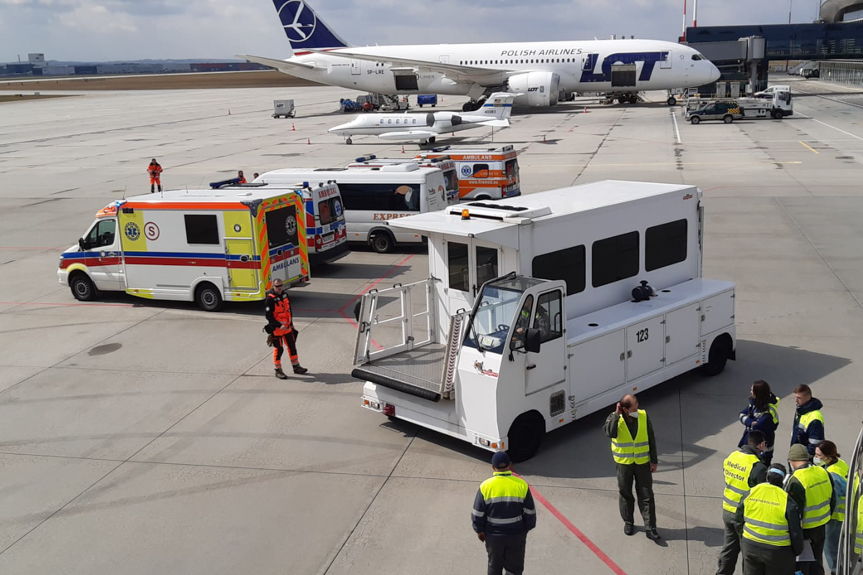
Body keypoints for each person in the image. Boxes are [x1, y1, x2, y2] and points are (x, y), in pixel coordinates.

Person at [603, 393, 660, 540]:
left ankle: (650, 527)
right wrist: (616, 414)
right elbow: (609, 432)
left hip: (642, 463)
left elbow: (651, 437)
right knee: (625, 493)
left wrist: (653, 460)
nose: (637, 408)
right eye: (634, 407)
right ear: (626, 409)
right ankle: (628, 522)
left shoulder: (643, 416)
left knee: (647, 495)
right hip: (624, 464)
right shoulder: (614, 418)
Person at [472, 451, 536, 575]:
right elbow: (530, 513)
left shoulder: (485, 486)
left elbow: (477, 513)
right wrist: (525, 530)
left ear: (493, 467)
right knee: (514, 568)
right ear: (509, 465)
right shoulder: (521, 485)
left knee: (494, 566)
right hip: (516, 535)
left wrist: (479, 531)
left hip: (493, 536)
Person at [734, 463, 804, 575]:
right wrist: (797, 550)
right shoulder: (787, 500)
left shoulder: (751, 492)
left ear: (767, 476)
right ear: (783, 480)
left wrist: (744, 538)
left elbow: (738, 520)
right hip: (778, 552)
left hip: (750, 545)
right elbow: (795, 532)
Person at [716, 430, 769, 575]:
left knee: (729, 548)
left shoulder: (732, 457)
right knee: (748, 553)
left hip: (727, 510)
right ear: (760, 445)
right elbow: (761, 492)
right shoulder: (757, 467)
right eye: (765, 444)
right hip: (743, 515)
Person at [786, 443, 835, 575]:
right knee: (817, 561)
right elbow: (833, 499)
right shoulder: (823, 471)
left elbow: (795, 512)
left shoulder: (796, 480)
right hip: (821, 526)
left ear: (791, 461)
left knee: (803, 565)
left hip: (805, 530)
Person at [815, 440, 848, 575]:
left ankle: (836, 571)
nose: (816, 458)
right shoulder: (840, 463)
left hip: (835, 515)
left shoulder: (833, 475)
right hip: (843, 513)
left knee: (831, 549)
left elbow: (832, 495)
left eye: (819, 456)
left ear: (828, 457)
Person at [264, 278, 308, 379]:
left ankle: (296, 366)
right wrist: (279, 325)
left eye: (280, 286)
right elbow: (268, 316)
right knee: (279, 349)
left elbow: (289, 311)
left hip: (288, 328)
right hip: (277, 330)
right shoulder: (270, 299)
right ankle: (278, 370)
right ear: (273, 286)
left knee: (292, 347)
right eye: (277, 286)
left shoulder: (285, 295)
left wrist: (291, 324)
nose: (279, 288)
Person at [738, 380, 780, 465]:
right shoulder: (754, 403)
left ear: (758, 393)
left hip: (762, 450)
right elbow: (741, 414)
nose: (750, 392)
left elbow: (756, 426)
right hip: (752, 442)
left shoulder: (768, 413)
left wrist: (748, 421)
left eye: (752, 390)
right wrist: (750, 422)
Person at [791, 384, 825, 458]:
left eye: (799, 398)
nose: (796, 400)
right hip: (797, 454)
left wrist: (801, 459)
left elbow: (815, 444)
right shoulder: (801, 410)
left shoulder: (815, 418)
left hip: (805, 460)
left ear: (808, 397)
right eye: (795, 397)